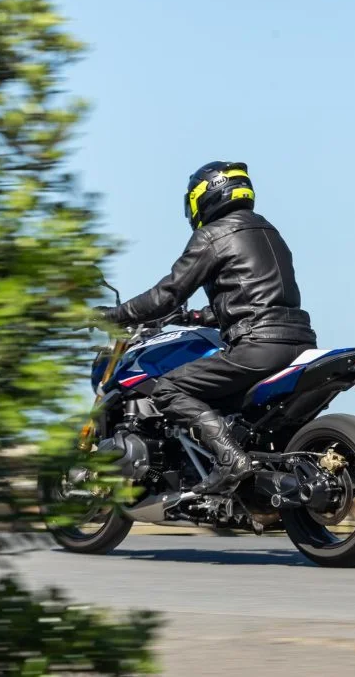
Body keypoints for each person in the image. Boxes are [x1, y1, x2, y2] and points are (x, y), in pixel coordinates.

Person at [98, 161, 316, 494]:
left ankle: (230, 460)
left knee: (168, 388)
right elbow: (255, 296)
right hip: (299, 341)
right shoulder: (268, 231)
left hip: (256, 345)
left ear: (204, 197)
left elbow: (166, 295)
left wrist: (115, 316)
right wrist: (199, 317)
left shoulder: (213, 235)